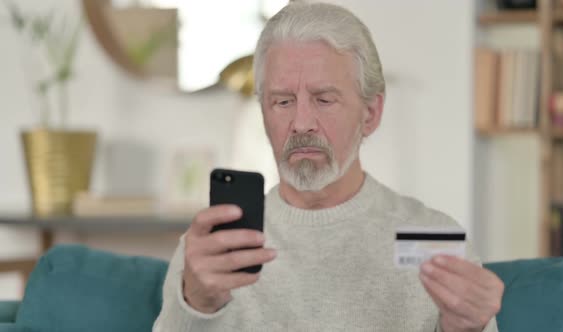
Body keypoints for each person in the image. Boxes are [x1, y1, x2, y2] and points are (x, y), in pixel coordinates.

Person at [153, 2, 503, 331]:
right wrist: (196, 303)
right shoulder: (210, 250)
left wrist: (467, 328)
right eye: (283, 101)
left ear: (371, 113)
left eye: (324, 99)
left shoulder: (432, 238)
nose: (301, 122)